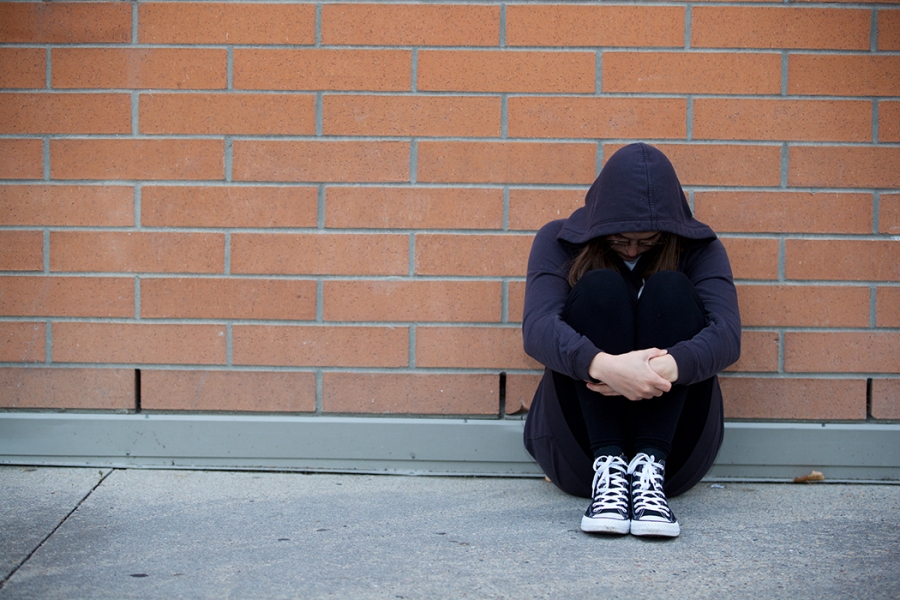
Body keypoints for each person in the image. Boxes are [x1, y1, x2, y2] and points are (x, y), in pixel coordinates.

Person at [522, 143, 741, 538]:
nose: (634, 249)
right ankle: (609, 469)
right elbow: (537, 328)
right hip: (580, 455)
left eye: (649, 240)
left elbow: (727, 335)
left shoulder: (698, 249)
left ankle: (647, 468)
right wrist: (607, 367)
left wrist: (657, 371)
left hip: (675, 457)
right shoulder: (559, 241)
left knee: (672, 289)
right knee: (600, 287)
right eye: (621, 239)